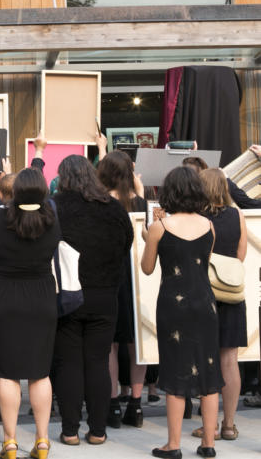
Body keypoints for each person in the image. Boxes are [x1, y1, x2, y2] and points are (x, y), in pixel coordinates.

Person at [0, 167, 59, 459]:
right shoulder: (52, 220)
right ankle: (43, 440)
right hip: (42, 299)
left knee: (7, 373)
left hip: (3, 299)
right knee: (40, 373)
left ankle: (10, 442)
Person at [141, 167, 223, 459]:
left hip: (173, 307)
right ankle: (208, 444)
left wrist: (146, 237)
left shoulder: (159, 227)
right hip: (205, 303)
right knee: (209, 371)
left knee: (176, 371)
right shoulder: (210, 226)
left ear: (170, 192)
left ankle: (173, 445)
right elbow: (202, 264)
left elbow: (147, 268)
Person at [52, 155, 133, 445]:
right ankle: (98, 430)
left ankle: (70, 430)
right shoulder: (113, 208)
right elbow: (127, 242)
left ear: (64, 177)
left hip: (69, 296)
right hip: (105, 295)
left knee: (69, 362)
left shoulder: (57, 207)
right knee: (98, 362)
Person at [97, 151, 148, 430]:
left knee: (111, 344)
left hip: (109, 276)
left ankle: (113, 405)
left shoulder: (101, 203)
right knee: (137, 342)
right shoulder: (139, 203)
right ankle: (136, 405)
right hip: (138, 276)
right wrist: (140, 194)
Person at [196, 168, 247, 442]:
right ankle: (228, 424)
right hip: (233, 294)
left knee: (208, 360)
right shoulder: (238, 214)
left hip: (205, 293)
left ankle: (209, 426)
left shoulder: (198, 218)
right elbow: (240, 256)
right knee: (230, 360)